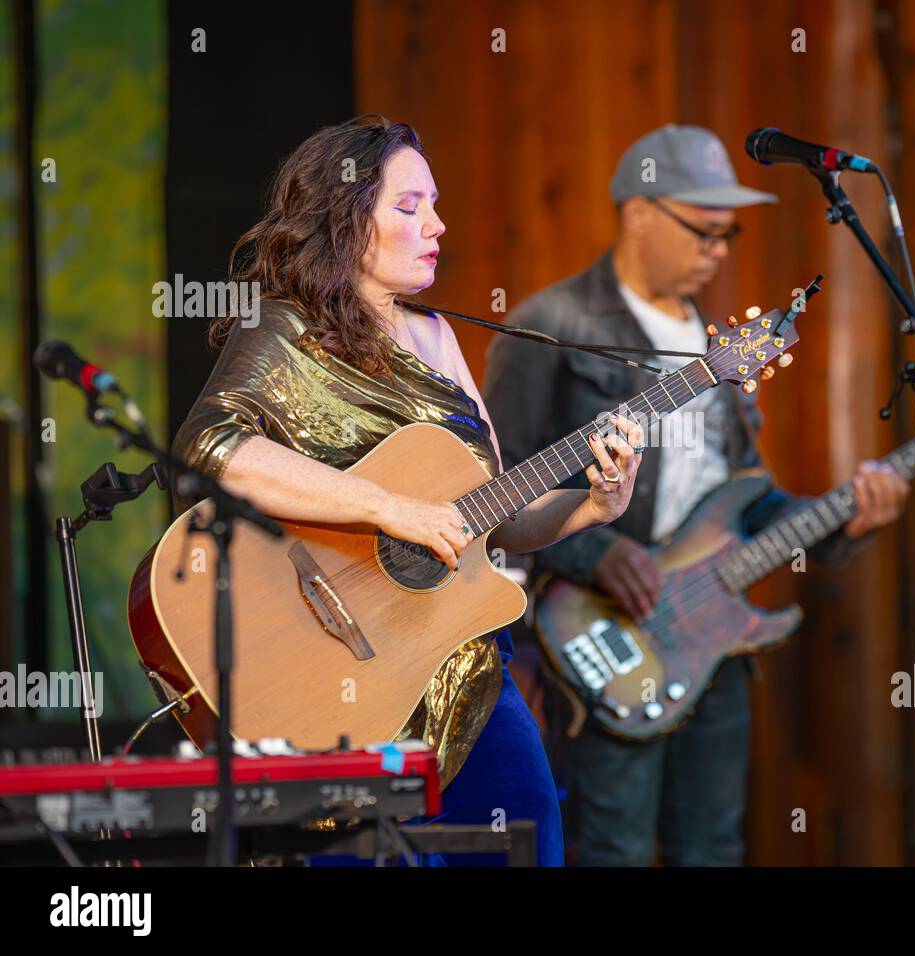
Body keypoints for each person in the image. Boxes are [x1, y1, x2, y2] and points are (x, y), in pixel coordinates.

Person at [170, 116, 645, 866]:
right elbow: (213, 448)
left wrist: (593, 505)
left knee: (530, 845)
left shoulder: (437, 339)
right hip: (343, 671)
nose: (437, 224)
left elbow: (493, 518)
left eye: (435, 204)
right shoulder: (285, 332)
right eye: (409, 205)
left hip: (465, 659)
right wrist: (389, 508)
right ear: (345, 216)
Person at [482, 124, 910, 866]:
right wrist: (596, 547)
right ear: (639, 212)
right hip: (605, 627)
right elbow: (500, 477)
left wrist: (847, 518)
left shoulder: (725, 344)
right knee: (609, 847)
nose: (719, 248)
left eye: (730, 234)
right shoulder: (549, 326)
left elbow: (745, 498)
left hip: (714, 639)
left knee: (711, 848)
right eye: (705, 229)